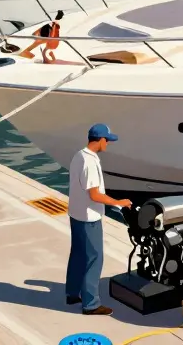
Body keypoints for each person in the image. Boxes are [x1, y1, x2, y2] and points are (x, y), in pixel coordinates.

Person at [66, 123, 130, 316]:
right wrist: (117, 202)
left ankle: (72, 293)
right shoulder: (91, 162)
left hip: (75, 214)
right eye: (107, 141)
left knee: (77, 255)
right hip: (89, 218)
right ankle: (91, 304)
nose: (108, 144)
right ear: (101, 140)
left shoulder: (78, 156)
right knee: (94, 259)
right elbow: (94, 195)